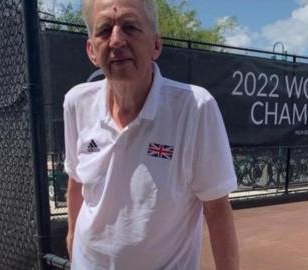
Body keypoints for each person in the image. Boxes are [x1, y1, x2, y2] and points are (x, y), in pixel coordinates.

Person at [63, 0, 239, 269]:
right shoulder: (76, 102)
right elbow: (76, 182)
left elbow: (217, 211)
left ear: (155, 45)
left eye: (130, 27)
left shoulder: (195, 108)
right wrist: (73, 241)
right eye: (104, 30)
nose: (116, 40)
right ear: (91, 50)